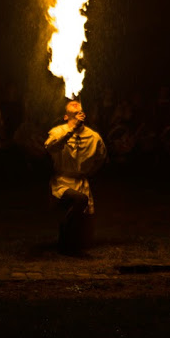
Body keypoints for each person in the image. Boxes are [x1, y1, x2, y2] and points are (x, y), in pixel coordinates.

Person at [45, 100, 107, 255]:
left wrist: (91, 171)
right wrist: (71, 131)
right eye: (70, 104)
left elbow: (102, 157)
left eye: (77, 104)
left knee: (83, 240)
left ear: (83, 114)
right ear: (66, 117)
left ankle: (66, 240)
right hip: (62, 181)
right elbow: (50, 147)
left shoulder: (94, 137)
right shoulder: (58, 132)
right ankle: (65, 227)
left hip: (81, 182)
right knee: (80, 200)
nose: (75, 103)